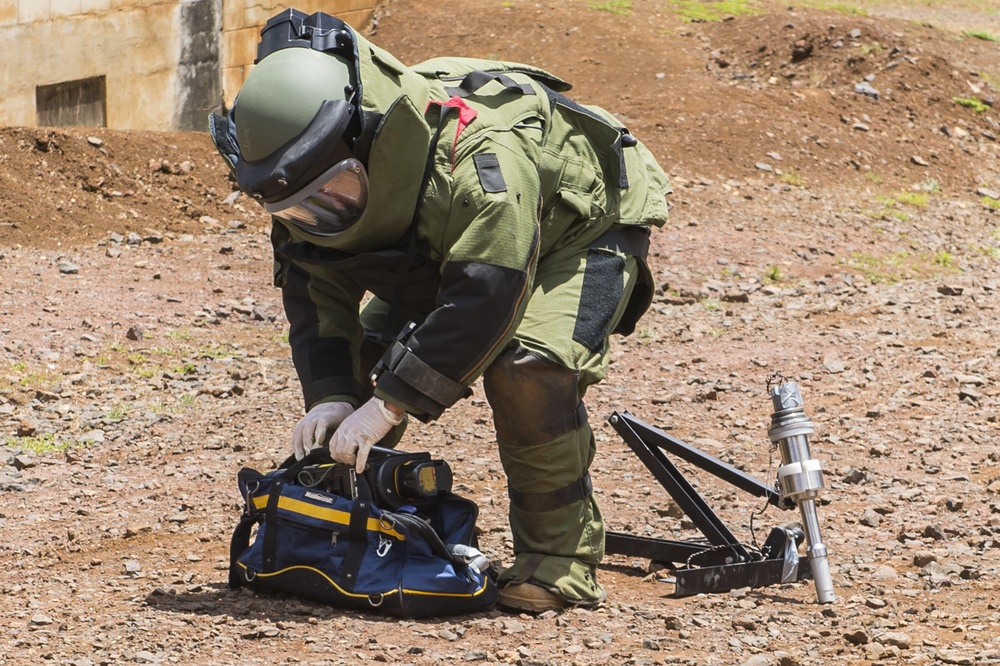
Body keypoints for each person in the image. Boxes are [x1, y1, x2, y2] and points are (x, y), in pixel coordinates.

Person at [210, 8, 672, 613]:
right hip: (445, 240)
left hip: (581, 224)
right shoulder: (300, 184)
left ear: (369, 141)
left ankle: (556, 565)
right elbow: (316, 297)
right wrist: (333, 394)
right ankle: (333, 530)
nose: (318, 215)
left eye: (332, 194)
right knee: (361, 372)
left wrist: (392, 403)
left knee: (526, 367)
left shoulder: (482, 160)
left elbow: (485, 297)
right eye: (300, 208)